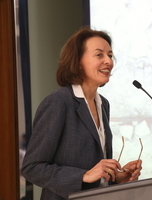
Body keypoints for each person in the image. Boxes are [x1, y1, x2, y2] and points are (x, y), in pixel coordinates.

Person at [21, 27, 142, 200]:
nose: (108, 61)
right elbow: (32, 168)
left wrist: (116, 178)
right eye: (99, 55)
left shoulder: (103, 104)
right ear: (78, 61)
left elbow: (96, 173)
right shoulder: (59, 102)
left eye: (110, 55)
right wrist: (83, 176)